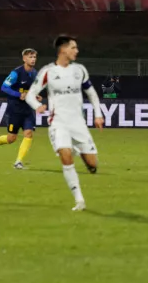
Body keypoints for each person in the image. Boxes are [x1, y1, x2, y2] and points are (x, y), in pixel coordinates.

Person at [25, 36, 104, 211]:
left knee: (92, 165)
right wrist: (38, 106)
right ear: (63, 50)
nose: (77, 51)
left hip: (78, 124)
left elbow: (91, 93)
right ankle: (79, 200)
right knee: (65, 156)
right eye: (73, 48)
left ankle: (75, 149)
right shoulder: (48, 72)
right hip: (58, 122)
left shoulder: (80, 70)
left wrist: (98, 115)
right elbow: (31, 94)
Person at [0, 49, 39, 169]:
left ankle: (18, 162)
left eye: (34, 57)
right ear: (24, 59)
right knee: (11, 138)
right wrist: (19, 95)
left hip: (28, 110)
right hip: (15, 110)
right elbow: (4, 87)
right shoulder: (16, 73)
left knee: (28, 134)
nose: (33, 59)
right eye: (30, 57)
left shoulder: (35, 73)